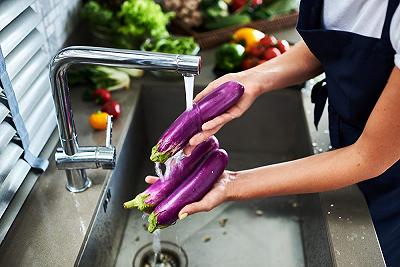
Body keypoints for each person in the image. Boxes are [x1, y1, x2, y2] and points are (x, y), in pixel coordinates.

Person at [147, 0, 400, 265]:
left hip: (391, 184)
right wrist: (253, 80)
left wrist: (232, 184)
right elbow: (326, 49)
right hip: (347, 140)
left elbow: (370, 156)